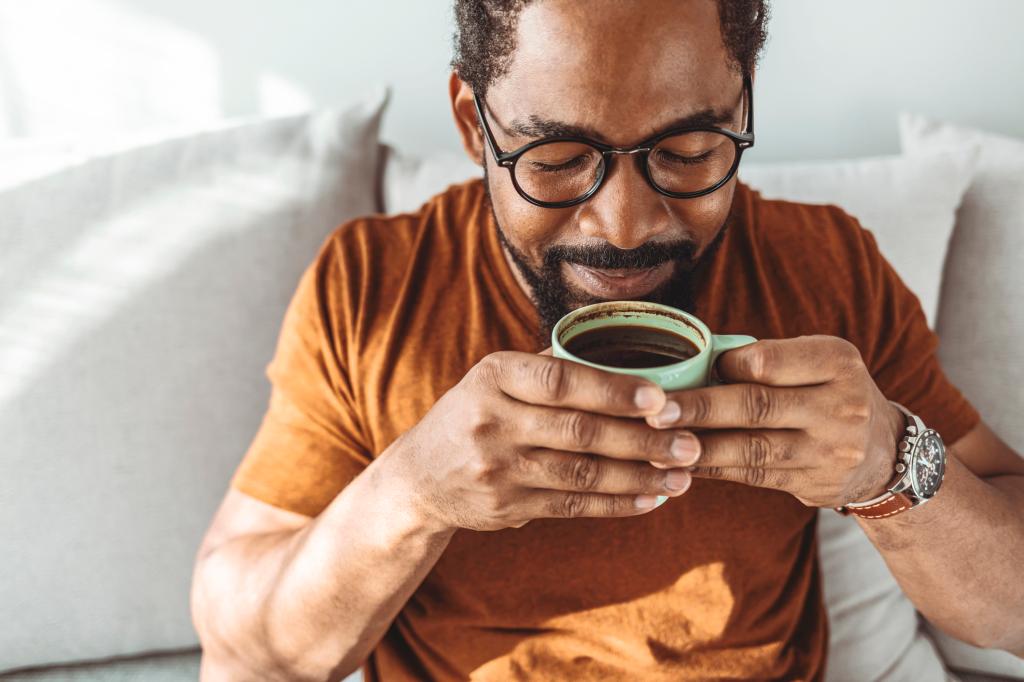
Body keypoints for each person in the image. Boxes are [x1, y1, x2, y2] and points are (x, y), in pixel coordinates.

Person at [190, 1, 1024, 680]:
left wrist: (891, 464)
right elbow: (245, 655)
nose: (624, 224)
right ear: (475, 126)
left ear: (744, 108)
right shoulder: (372, 287)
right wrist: (412, 493)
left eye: (688, 151)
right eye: (556, 158)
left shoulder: (826, 265)